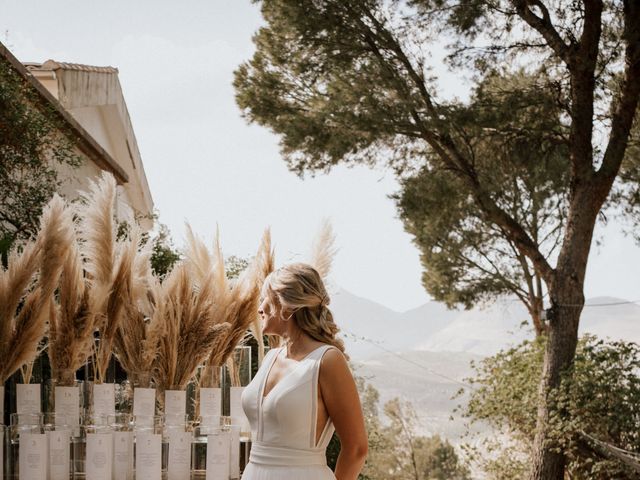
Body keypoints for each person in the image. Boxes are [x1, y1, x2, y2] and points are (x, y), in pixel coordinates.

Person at [241, 263, 368, 480]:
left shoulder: (327, 360)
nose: (260, 308)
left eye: (266, 299)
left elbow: (356, 448)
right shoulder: (271, 357)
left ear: (288, 308)